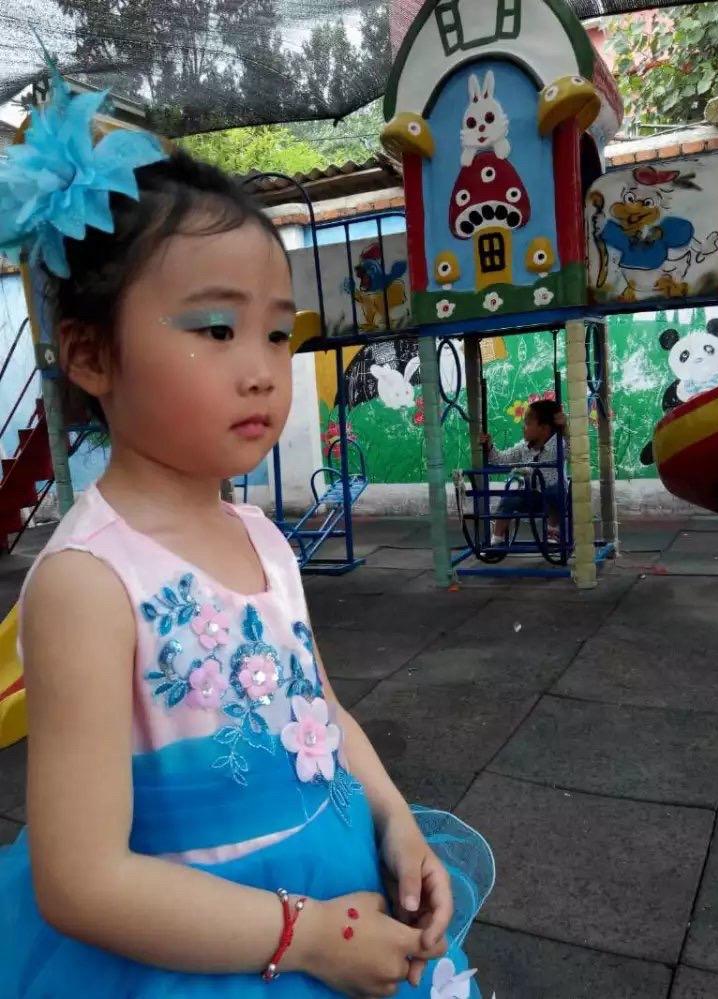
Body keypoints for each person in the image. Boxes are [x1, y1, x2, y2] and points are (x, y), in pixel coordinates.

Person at [0, 74, 493, 997]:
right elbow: (80, 878)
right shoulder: (88, 583)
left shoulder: (261, 536)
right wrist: (303, 938)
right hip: (214, 945)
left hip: (338, 895)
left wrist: (395, 820)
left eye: (276, 335)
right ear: (91, 354)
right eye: (217, 328)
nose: (263, 369)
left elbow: (324, 712)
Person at [479, 399, 568, 543]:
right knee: (509, 499)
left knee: (555, 491)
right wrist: (489, 446)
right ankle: (496, 538)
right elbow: (501, 459)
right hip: (533, 497)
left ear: (544, 428)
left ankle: (552, 531)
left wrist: (565, 428)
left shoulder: (558, 444)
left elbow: (573, 449)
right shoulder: (523, 447)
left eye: (527, 423)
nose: (523, 427)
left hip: (555, 498)